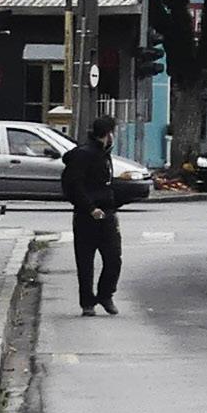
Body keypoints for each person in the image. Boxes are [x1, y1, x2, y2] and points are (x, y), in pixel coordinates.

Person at [61, 118, 125, 316]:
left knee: (113, 259)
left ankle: (105, 294)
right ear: (108, 134)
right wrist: (90, 208)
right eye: (112, 132)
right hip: (86, 216)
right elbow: (74, 186)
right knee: (85, 262)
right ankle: (87, 302)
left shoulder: (104, 154)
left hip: (107, 214)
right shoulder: (83, 155)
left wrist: (113, 203)